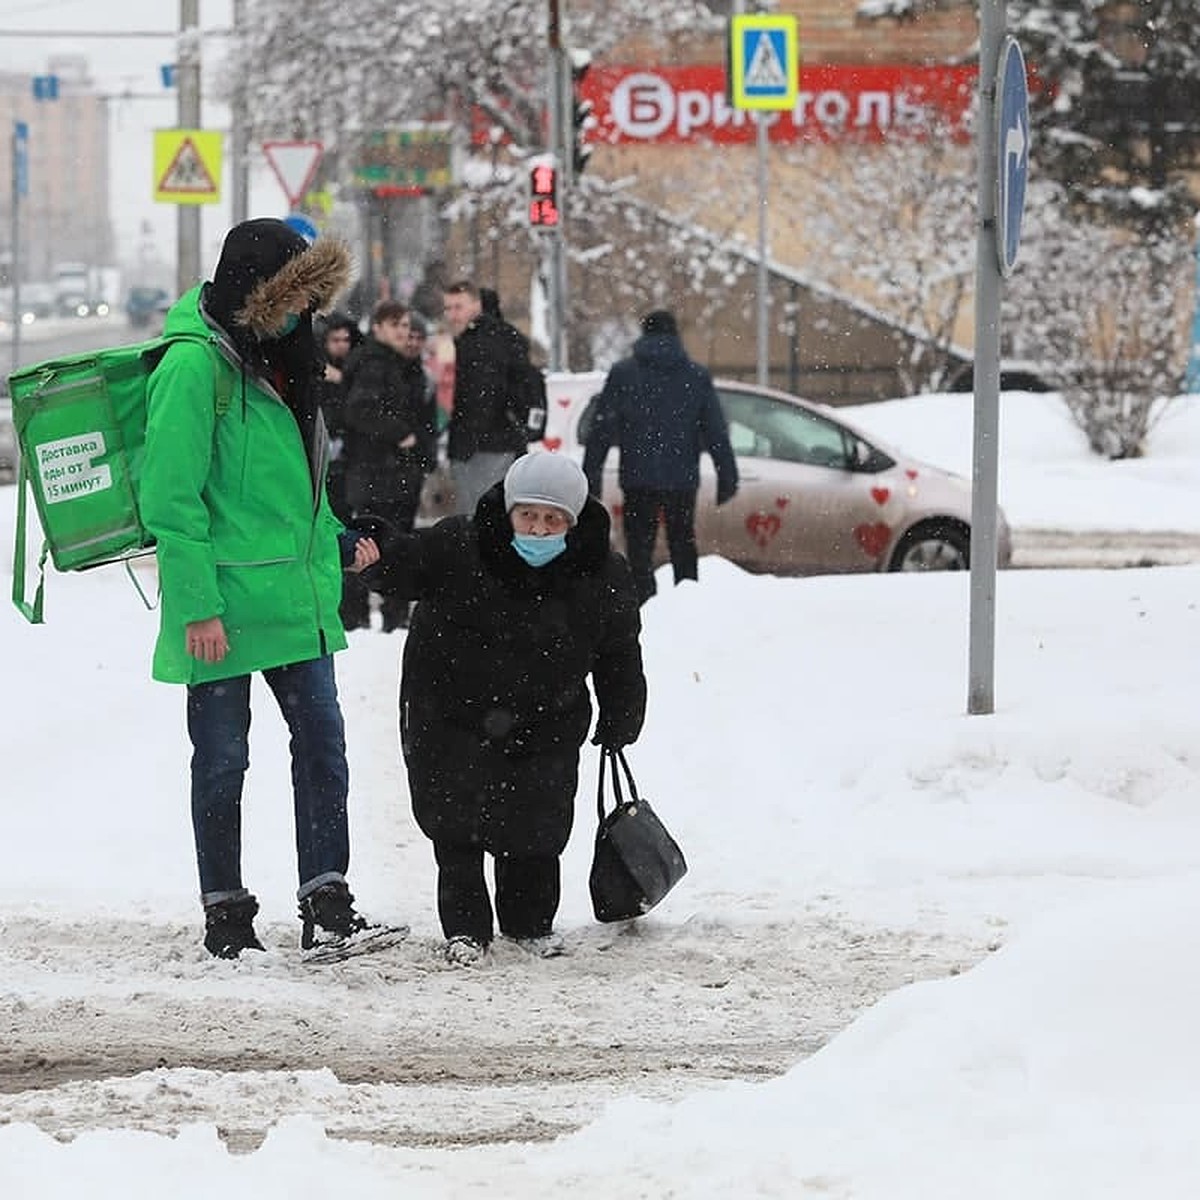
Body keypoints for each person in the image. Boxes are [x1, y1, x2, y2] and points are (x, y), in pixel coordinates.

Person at [140, 217, 389, 961]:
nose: (300, 314)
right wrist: (195, 607)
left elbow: (294, 488)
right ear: (253, 292)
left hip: (295, 597)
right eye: (290, 297)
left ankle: (328, 902)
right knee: (222, 762)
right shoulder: (195, 367)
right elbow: (172, 499)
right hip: (220, 605)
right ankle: (226, 916)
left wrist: (337, 539)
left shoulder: (287, 358)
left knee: (323, 747)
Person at [368, 452, 647, 964]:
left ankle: (529, 925)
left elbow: (619, 649)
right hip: (450, 714)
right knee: (457, 827)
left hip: (546, 721)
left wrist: (621, 712)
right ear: (511, 510)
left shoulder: (599, 571)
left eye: (553, 519)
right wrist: (376, 555)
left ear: (573, 519)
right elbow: (407, 566)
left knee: (536, 826)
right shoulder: (461, 543)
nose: (539, 530)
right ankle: (466, 930)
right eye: (529, 516)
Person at [582, 309, 740, 604]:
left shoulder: (624, 373)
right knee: (682, 541)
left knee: (639, 546)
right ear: (675, 334)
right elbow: (715, 430)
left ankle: (642, 600)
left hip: (638, 475)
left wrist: (591, 475)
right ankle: (686, 598)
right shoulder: (696, 375)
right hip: (681, 477)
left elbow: (602, 429)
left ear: (644, 334)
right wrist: (727, 476)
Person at [340, 301, 437, 631]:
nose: (403, 331)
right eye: (395, 324)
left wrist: (421, 452)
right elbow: (360, 411)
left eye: (406, 324)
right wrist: (402, 435)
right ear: (378, 328)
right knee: (368, 545)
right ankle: (360, 616)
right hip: (374, 473)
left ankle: (392, 615)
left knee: (394, 545)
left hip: (395, 474)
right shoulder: (373, 363)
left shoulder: (402, 365)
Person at [442, 279, 543, 517]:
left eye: (458, 307)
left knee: (479, 519)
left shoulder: (480, 342)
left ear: (477, 305)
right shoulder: (500, 336)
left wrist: (465, 440)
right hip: (501, 441)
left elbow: (481, 396)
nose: (452, 314)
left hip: (483, 446)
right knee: (496, 516)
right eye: (448, 308)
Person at [315, 310, 363, 524]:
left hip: (348, 450)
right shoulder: (316, 368)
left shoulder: (356, 367)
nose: (342, 345)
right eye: (335, 340)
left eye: (345, 339)